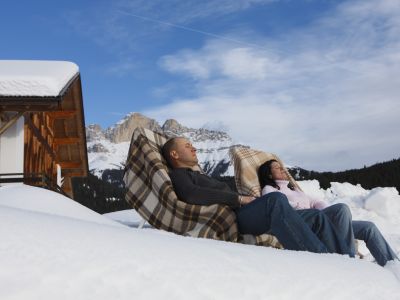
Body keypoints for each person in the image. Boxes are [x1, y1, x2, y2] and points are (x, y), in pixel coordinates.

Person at [162, 137, 354, 256]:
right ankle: (322, 259)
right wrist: (239, 199)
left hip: (246, 210)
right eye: (188, 146)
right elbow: (191, 194)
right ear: (174, 154)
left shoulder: (197, 174)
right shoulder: (180, 175)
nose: (194, 148)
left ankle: (348, 262)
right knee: (275, 200)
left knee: (318, 218)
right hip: (238, 216)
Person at [258, 159, 399, 267]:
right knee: (341, 209)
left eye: (282, 166)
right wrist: (306, 209)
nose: (283, 169)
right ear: (269, 174)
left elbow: (315, 201)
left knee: (369, 227)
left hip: (320, 219)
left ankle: (393, 265)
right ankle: (349, 261)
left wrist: (324, 212)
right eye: (277, 168)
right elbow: (279, 207)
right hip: (306, 224)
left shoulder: (294, 189)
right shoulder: (269, 190)